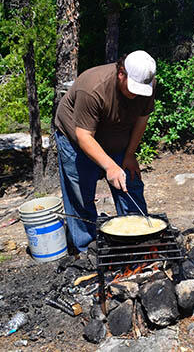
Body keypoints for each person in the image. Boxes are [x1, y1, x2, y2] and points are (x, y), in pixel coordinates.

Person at [55, 50, 156, 252]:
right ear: (121, 73)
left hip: (116, 139)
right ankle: (87, 248)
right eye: (132, 87)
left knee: (130, 185)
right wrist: (110, 165)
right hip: (76, 141)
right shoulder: (93, 87)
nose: (136, 93)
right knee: (81, 194)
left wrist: (129, 155)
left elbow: (141, 120)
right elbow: (84, 136)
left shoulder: (147, 83)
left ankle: (137, 242)